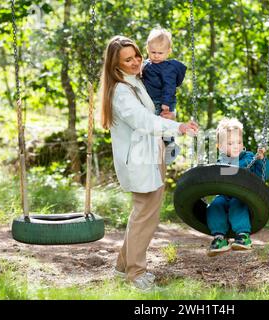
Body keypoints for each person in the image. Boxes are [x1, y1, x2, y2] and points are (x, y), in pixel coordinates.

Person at [100, 35, 198, 290]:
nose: (135, 62)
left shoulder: (134, 81)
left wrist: (167, 112)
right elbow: (143, 122)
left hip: (150, 156)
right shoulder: (121, 91)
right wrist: (179, 127)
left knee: (141, 216)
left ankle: (123, 268)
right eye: (128, 59)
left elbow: (157, 103)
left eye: (137, 56)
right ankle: (136, 274)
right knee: (145, 218)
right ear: (115, 65)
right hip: (140, 161)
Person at [206, 118, 269, 257]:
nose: (236, 146)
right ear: (220, 147)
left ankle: (243, 236)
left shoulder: (249, 158)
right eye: (230, 143)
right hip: (224, 196)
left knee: (238, 204)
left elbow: (266, 174)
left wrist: (261, 160)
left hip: (243, 196)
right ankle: (219, 238)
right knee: (215, 205)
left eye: (239, 142)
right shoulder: (219, 163)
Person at [142, 27, 187, 165]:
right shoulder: (147, 64)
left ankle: (170, 147)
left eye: (160, 53)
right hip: (152, 100)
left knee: (164, 125)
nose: (156, 55)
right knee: (156, 127)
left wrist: (166, 103)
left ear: (169, 52)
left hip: (163, 101)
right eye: (152, 52)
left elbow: (170, 86)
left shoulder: (168, 68)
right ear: (147, 49)